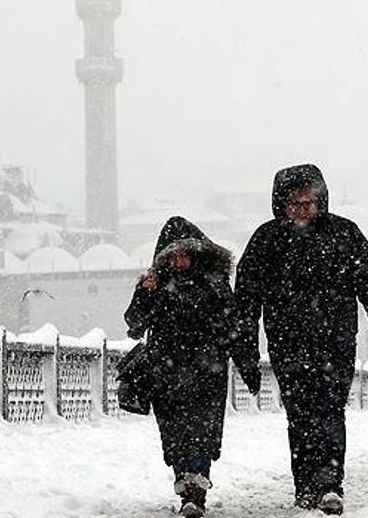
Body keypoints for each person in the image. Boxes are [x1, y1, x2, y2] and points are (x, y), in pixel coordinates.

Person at [232, 164, 368, 515]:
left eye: (309, 202)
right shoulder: (266, 240)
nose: (303, 210)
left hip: (335, 341)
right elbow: (245, 299)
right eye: (295, 203)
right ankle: (305, 486)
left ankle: (329, 484)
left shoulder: (344, 234)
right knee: (300, 413)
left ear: (320, 202)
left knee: (329, 410)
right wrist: (245, 347)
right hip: (287, 343)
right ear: (282, 205)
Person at [125, 216, 259, 518]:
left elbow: (234, 328)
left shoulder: (215, 285)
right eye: (173, 255)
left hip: (206, 372)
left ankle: (195, 490)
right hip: (166, 372)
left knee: (202, 431)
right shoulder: (155, 285)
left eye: (185, 253)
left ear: (198, 253)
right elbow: (134, 325)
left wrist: (247, 365)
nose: (179, 261)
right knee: (174, 434)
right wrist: (145, 293)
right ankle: (183, 481)